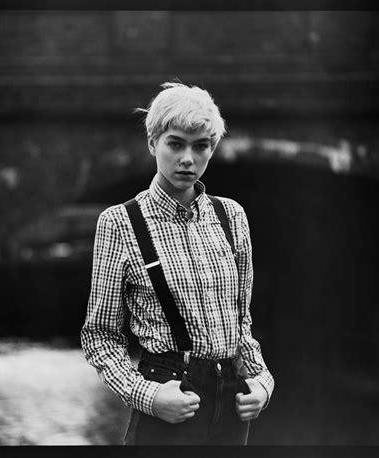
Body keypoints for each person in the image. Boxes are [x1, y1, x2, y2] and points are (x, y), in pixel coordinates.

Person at [81, 82, 274, 445]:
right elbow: (100, 337)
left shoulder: (232, 216)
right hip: (167, 397)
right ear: (153, 143)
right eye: (175, 143)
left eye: (200, 146)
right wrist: (148, 397)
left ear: (212, 149)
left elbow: (240, 324)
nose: (188, 158)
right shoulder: (120, 223)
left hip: (232, 405)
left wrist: (262, 383)